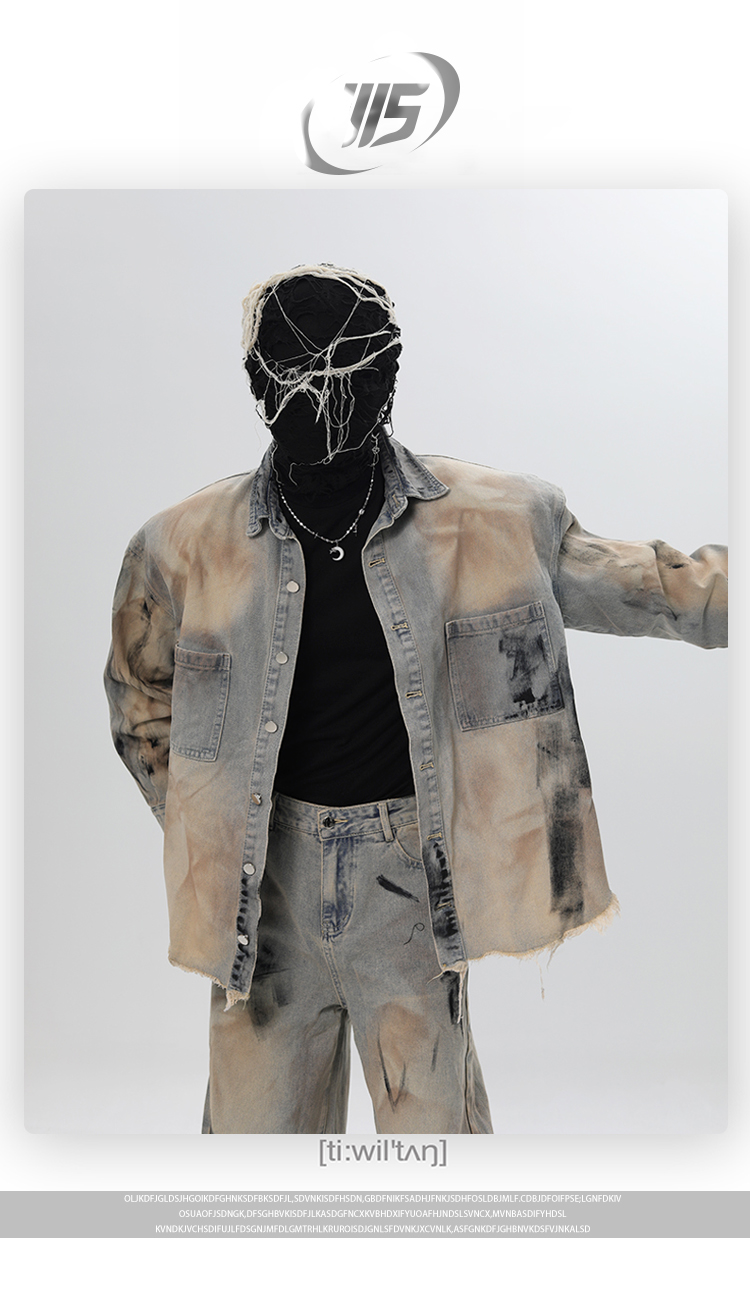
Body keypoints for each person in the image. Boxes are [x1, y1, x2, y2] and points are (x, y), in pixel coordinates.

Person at [104, 263, 728, 1134]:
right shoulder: (182, 547)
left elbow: (657, 586)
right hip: (262, 895)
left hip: (408, 885)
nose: (326, 402)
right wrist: (217, 821)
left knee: (436, 1161)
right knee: (250, 1172)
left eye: (350, 377)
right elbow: (139, 700)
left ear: (389, 376)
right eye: (300, 380)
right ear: (258, 385)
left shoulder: (495, 520)